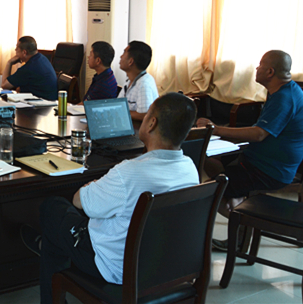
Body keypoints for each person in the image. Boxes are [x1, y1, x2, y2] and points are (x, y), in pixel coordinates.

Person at [21, 93, 199, 304]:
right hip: (167, 266)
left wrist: (96, 186)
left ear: (151, 123)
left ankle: (48, 254)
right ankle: (49, 247)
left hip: (117, 269)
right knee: (65, 232)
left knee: (53, 207)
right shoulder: (190, 169)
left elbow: (79, 201)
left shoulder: (129, 172)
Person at [197, 50, 303, 231]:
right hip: (258, 160)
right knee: (211, 160)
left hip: (269, 171)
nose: (257, 69)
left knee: (206, 192)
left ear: (270, 72)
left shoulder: (284, 98)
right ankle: (236, 201)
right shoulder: (282, 91)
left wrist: (216, 129)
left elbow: (259, 134)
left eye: (260, 65)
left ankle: (244, 224)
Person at [2, 36, 57, 101]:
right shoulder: (42, 58)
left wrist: (9, 63)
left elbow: (4, 85)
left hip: (42, 104)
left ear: (24, 52)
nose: (15, 50)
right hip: (51, 101)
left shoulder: (28, 68)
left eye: (17, 48)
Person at [117, 41, 158, 121]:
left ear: (130, 62)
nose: (121, 56)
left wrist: (121, 112)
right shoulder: (129, 80)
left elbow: (144, 114)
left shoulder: (144, 84)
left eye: (124, 53)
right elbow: (119, 104)